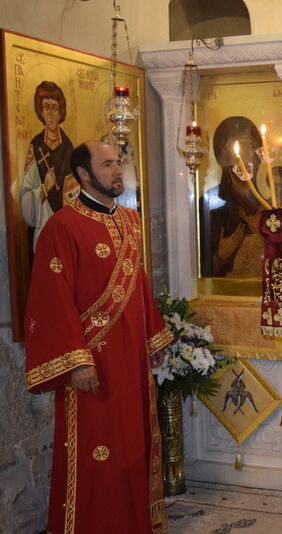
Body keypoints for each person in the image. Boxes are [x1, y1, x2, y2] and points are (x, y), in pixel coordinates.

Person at [24, 141, 172, 534]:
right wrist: (76, 361)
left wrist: (153, 338)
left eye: (118, 162)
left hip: (131, 360)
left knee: (132, 449)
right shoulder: (62, 226)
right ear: (83, 174)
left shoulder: (129, 220)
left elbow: (137, 284)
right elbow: (52, 300)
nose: (118, 170)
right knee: (96, 455)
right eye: (107, 164)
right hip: (93, 365)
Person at [199, 116, 266, 277]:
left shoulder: (266, 203)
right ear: (222, 154)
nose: (248, 155)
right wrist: (218, 257)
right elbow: (197, 266)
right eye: (241, 146)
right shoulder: (211, 204)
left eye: (252, 147)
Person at [20, 81, 78, 248]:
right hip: (43, 225)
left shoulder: (69, 149)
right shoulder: (35, 146)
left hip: (67, 228)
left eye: (55, 108)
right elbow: (25, 195)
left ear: (61, 113)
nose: (51, 114)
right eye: (46, 108)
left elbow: (77, 191)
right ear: (41, 111)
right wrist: (44, 188)